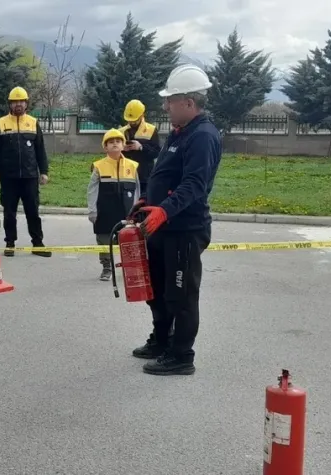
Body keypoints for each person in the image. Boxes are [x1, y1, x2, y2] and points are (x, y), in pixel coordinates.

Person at [130, 64, 222, 376]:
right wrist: (149, 202)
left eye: (170, 100)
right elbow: (167, 176)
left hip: (184, 229)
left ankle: (182, 354)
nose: (165, 105)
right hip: (161, 226)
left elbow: (195, 184)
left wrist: (165, 209)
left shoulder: (203, 136)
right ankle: (162, 340)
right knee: (156, 288)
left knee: (181, 295)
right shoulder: (180, 133)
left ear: (189, 102)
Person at [0, 86, 51, 258]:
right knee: (9, 212)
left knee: (33, 211)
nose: (18, 105)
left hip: (30, 176)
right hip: (9, 177)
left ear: (26, 103)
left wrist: (43, 171)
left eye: (21, 101)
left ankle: (37, 243)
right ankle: (10, 243)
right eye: (15, 102)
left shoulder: (33, 122)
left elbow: (40, 150)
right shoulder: (1, 123)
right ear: (10, 104)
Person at [87, 129, 141, 281]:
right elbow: (92, 190)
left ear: (123, 145)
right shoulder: (98, 166)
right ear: (105, 147)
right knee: (104, 241)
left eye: (118, 141)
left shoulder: (133, 166)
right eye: (111, 142)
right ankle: (106, 268)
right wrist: (92, 211)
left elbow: (137, 190)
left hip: (127, 213)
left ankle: (131, 270)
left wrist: (136, 212)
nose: (115, 144)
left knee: (129, 242)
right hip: (104, 213)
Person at [118, 99, 161, 197]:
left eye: (134, 120)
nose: (132, 122)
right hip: (126, 175)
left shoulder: (151, 130)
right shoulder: (121, 131)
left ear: (142, 115)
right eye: (129, 120)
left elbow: (156, 153)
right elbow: (113, 153)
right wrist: (122, 149)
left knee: (142, 204)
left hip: (144, 176)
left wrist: (141, 147)